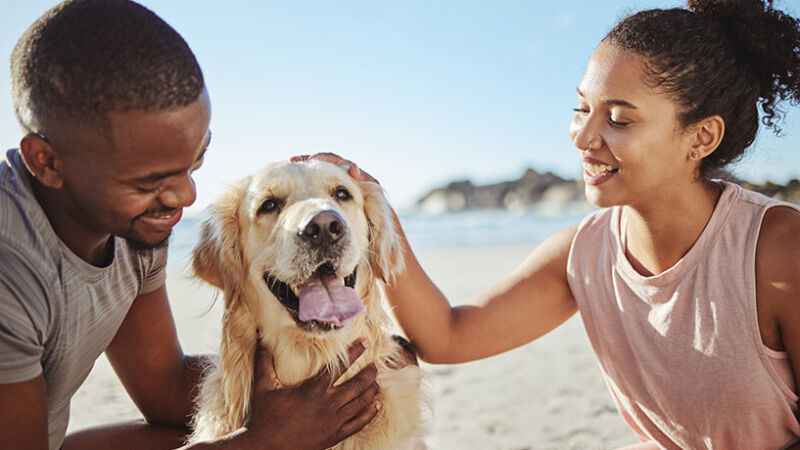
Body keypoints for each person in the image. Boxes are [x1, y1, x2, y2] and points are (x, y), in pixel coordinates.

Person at [315, 0, 800, 447]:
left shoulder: (779, 251)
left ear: (701, 137)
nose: (584, 137)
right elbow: (447, 336)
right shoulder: (584, 255)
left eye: (619, 120)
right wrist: (377, 211)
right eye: (582, 108)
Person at [0, 1, 381, 449]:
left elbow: (163, 389)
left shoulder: (130, 225)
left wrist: (331, 384)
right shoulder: (10, 272)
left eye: (194, 163)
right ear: (47, 162)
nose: (185, 196)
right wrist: (266, 441)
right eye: (151, 180)